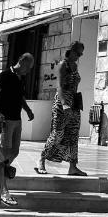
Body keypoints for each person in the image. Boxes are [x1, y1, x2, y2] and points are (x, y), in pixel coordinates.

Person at [35, 41, 87, 177]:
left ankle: (73, 166)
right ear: (72, 50)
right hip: (62, 103)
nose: (79, 56)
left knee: (73, 135)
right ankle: (41, 159)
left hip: (74, 103)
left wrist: (72, 105)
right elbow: (59, 86)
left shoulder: (75, 66)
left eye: (81, 54)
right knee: (57, 133)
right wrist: (64, 105)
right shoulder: (63, 65)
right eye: (78, 53)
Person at [0, 53, 34, 206]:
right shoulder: (5, 75)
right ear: (21, 62)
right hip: (5, 120)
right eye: (28, 67)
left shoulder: (20, 78)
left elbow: (20, 97)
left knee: (14, 151)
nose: (28, 71)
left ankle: (0, 172)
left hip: (17, 119)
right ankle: (3, 189)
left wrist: (28, 110)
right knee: (3, 152)